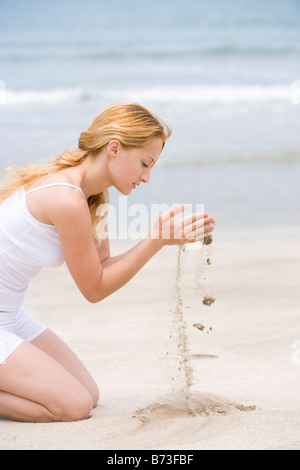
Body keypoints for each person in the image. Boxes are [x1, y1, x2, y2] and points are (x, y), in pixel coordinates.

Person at [0, 102, 216, 423]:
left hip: (10, 314)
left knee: (90, 394)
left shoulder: (95, 198)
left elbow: (102, 268)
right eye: (144, 163)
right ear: (114, 148)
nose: (147, 176)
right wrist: (155, 240)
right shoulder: (66, 198)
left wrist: (159, 239)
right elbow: (94, 289)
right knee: (74, 406)